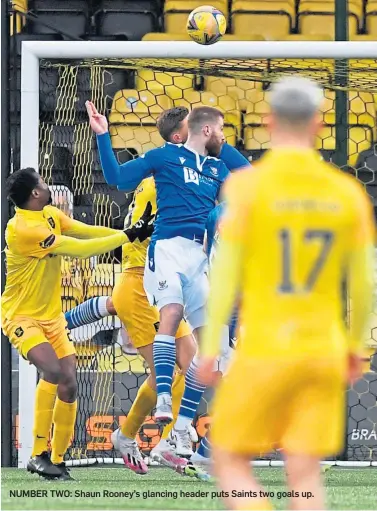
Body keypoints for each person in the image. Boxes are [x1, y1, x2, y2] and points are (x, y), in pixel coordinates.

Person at [197, 76, 375, 511]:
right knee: (305, 470)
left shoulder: (246, 188)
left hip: (265, 346)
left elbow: (224, 275)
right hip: (322, 349)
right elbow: (367, 279)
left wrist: (211, 345)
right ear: (319, 123)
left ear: (268, 120)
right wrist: (357, 345)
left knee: (230, 457)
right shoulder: (346, 193)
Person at [85, 103, 251, 459]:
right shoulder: (162, 163)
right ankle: (153, 427)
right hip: (155, 261)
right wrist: (102, 136)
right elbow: (117, 178)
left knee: (205, 353)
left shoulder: (213, 167)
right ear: (184, 134)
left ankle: (174, 434)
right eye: (209, 126)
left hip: (195, 259)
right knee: (172, 342)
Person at [1, 168, 152, 480]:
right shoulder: (22, 229)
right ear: (35, 194)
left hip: (53, 317)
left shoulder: (50, 214)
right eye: (43, 183)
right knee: (53, 372)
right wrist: (126, 236)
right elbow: (79, 249)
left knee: (69, 384)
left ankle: (57, 459)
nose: (48, 186)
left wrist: (129, 232)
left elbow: (84, 232)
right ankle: (38, 454)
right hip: (21, 316)